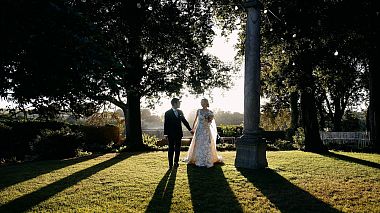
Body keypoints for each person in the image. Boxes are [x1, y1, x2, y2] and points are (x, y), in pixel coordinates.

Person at [184, 98, 223, 168]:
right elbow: (196, 120)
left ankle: (206, 160)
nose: (201, 103)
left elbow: (210, 122)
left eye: (203, 102)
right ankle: (197, 159)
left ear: (206, 103)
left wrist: (208, 119)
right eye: (201, 102)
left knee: (207, 144)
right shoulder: (198, 111)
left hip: (206, 130)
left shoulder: (210, 112)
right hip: (199, 130)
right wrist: (193, 129)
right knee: (198, 143)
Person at [164, 98, 193, 169]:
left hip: (179, 133)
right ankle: (170, 164)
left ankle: (176, 162)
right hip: (170, 134)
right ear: (174, 104)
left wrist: (190, 129)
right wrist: (166, 134)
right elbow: (166, 124)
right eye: (178, 103)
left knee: (177, 148)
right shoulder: (167, 113)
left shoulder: (180, 112)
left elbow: (184, 121)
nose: (180, 104)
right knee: (171, 149)